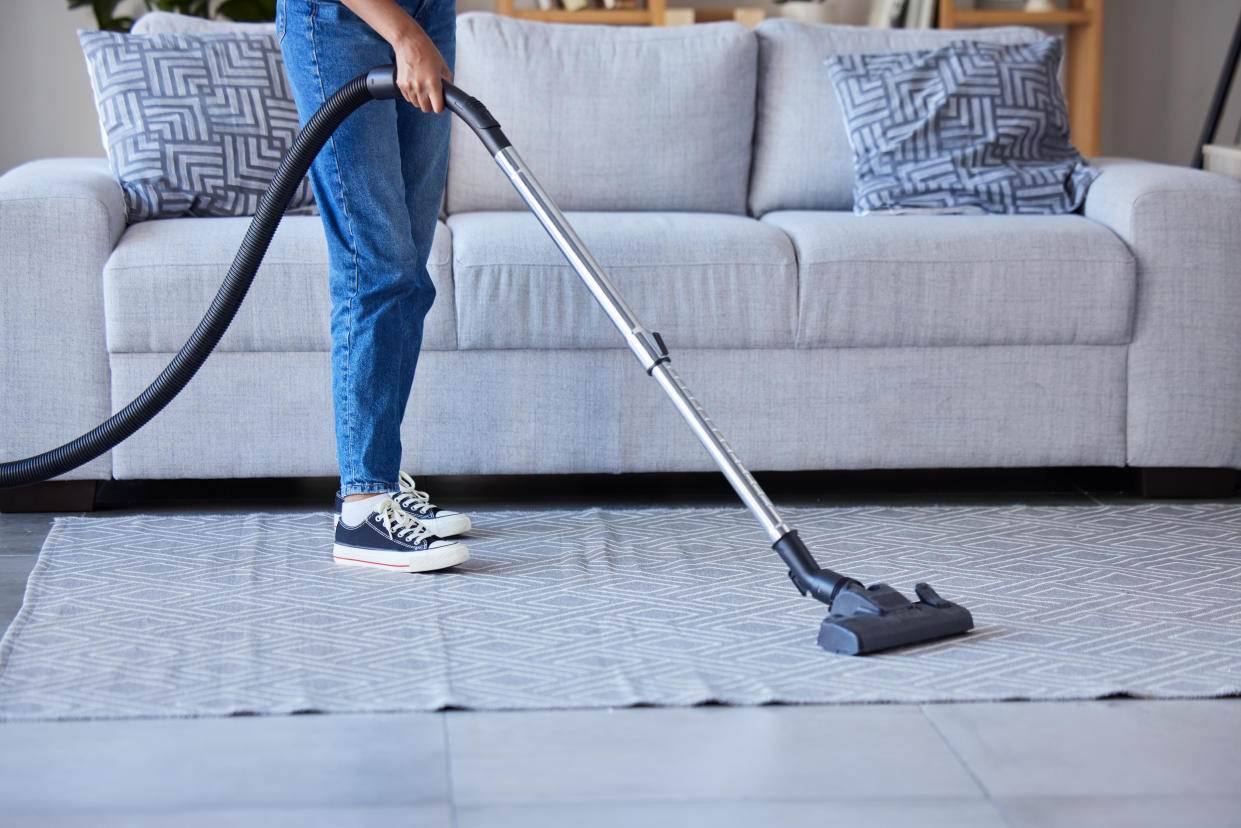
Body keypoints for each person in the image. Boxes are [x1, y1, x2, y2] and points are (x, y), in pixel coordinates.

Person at [277, 0, 471, 572]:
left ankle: (379, 478)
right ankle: (363, 509)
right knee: (376, 265)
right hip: (340, 19)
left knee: (408, 272)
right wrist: (403, 33)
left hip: (428, 12)